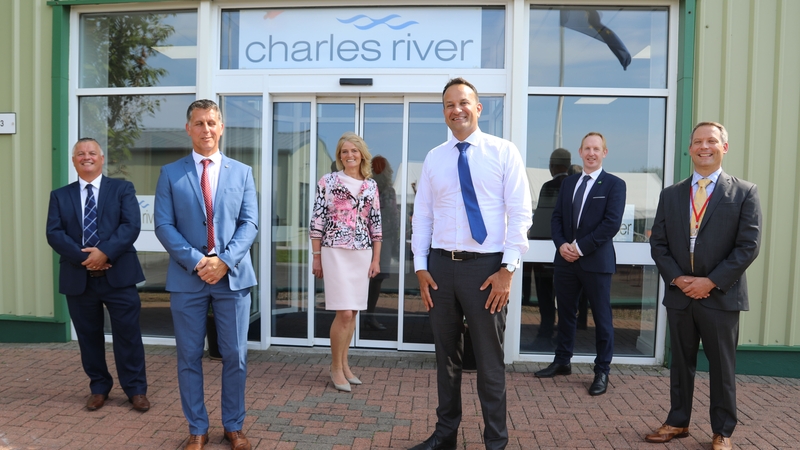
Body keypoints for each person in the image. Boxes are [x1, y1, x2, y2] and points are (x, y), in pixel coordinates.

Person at [410, 78, 532, 450]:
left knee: (489, 364)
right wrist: (420, 267)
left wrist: (507, 270)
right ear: (444, 112)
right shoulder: (434, 158)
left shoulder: (502, 151)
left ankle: (495, 441)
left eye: (464, 102)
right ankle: (445, 435)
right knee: (446, 360)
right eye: (449, 104)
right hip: (440, 270)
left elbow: (520, 213)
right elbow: (422, 218)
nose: (456, 109)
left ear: (478, 108)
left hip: (487, 271)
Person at [645, 122, 761, 450]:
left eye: (712, 141)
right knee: (681, 364)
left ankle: (722, 430)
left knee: (722, 367)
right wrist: (679, 280)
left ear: (725, 146)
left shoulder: (743, 192)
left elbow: (748, 246)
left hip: (720, 296)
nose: (704, 146)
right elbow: (659, 243)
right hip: (681, 295)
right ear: (690, 148)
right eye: (697, 141)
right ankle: (678, 421)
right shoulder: (671, 194)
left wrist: (710, 282)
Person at [154, 99, 258, 450]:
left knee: (235, 354)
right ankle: (197, 427)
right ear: (188, 129)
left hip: (232, 276)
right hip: (188, 278)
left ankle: (234, 425)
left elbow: (250, 223)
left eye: (212, 122)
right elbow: (164, 225)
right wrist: (199, 261)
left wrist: (224, 261)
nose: (206, 129)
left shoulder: (242, 172)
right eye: (199, 123)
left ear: (222, 127)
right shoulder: (171, 173)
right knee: (188, 356)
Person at [45, 137, 149, 412]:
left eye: (92, 152)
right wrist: (87, 259)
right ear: (74, 160)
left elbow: (130, 226)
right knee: (88, 338)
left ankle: (136, 389)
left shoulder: (122, 189)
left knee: (128, 336)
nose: (86, 156)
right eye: (80, 153)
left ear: (102, 159)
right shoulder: (60, 195)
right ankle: (99, 386)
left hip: (119, 275)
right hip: (79, 279)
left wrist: (104, 252)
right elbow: (54, 234)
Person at [535, 132, 626, 397]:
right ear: (580, 151)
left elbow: (611, 224)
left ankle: (602, 370)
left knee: (601, 318)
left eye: (596, 149)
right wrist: (561, 244)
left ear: (604, 153)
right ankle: (562, 361)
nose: (591, 153)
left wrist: (580, 247)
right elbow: (555, 218)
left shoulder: (614, 185)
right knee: (565, 313)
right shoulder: (569, 183)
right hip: (565, 261)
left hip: (595, 262)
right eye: (587, 148)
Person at [310, 132, 382, 392]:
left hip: (361, 251)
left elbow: (375, 223)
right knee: (345, 312)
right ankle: (335, 367)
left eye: (353, 150)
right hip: (334, 251)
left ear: (362, 154)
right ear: (339, 156)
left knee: (353, 313)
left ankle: (344, 364)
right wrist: (316, 256)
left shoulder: (371, 186)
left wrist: (376, 259)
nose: (349, 155)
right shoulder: (328, 181)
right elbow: (317, 220)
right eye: (343, 151)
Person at [523, 148, 571, 351]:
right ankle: (565, 338)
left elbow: (544, 219)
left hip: (546, 247)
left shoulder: (550, 186)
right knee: (567, 298)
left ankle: (544, 334)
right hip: (567, 251)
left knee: (545, 296)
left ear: (552, 166)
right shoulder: (574, 184)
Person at [364, 155, 397, 332]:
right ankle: (369, 316)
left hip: (373, 238)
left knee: (370, 280)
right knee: (375, 281)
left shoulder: (367, 187)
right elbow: (393, 216)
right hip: (381, 239)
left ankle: (367, 316)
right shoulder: (373, 189)